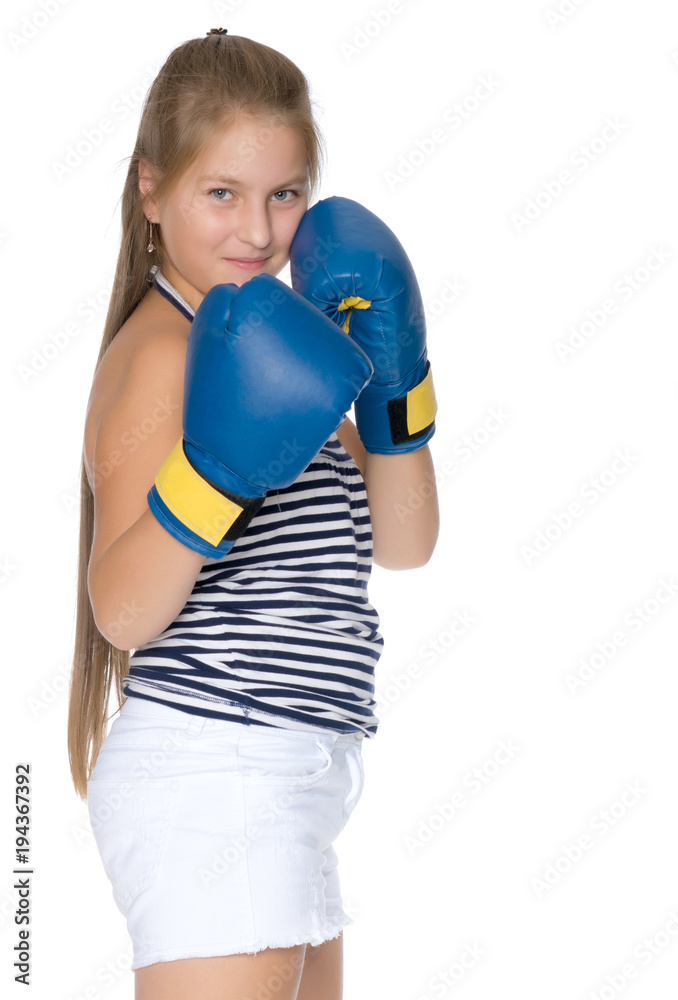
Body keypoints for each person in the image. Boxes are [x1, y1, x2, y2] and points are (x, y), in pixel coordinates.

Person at [66, 28, 439, 1000]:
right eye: (220, 193)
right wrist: (217, 472)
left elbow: (402, 543)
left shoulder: (283, 354)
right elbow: (121, 608)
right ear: (152, 189)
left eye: (285, 193)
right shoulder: (162, 358)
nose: (259, 231)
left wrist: (394, 389)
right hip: (215, 771)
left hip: (291, 777)